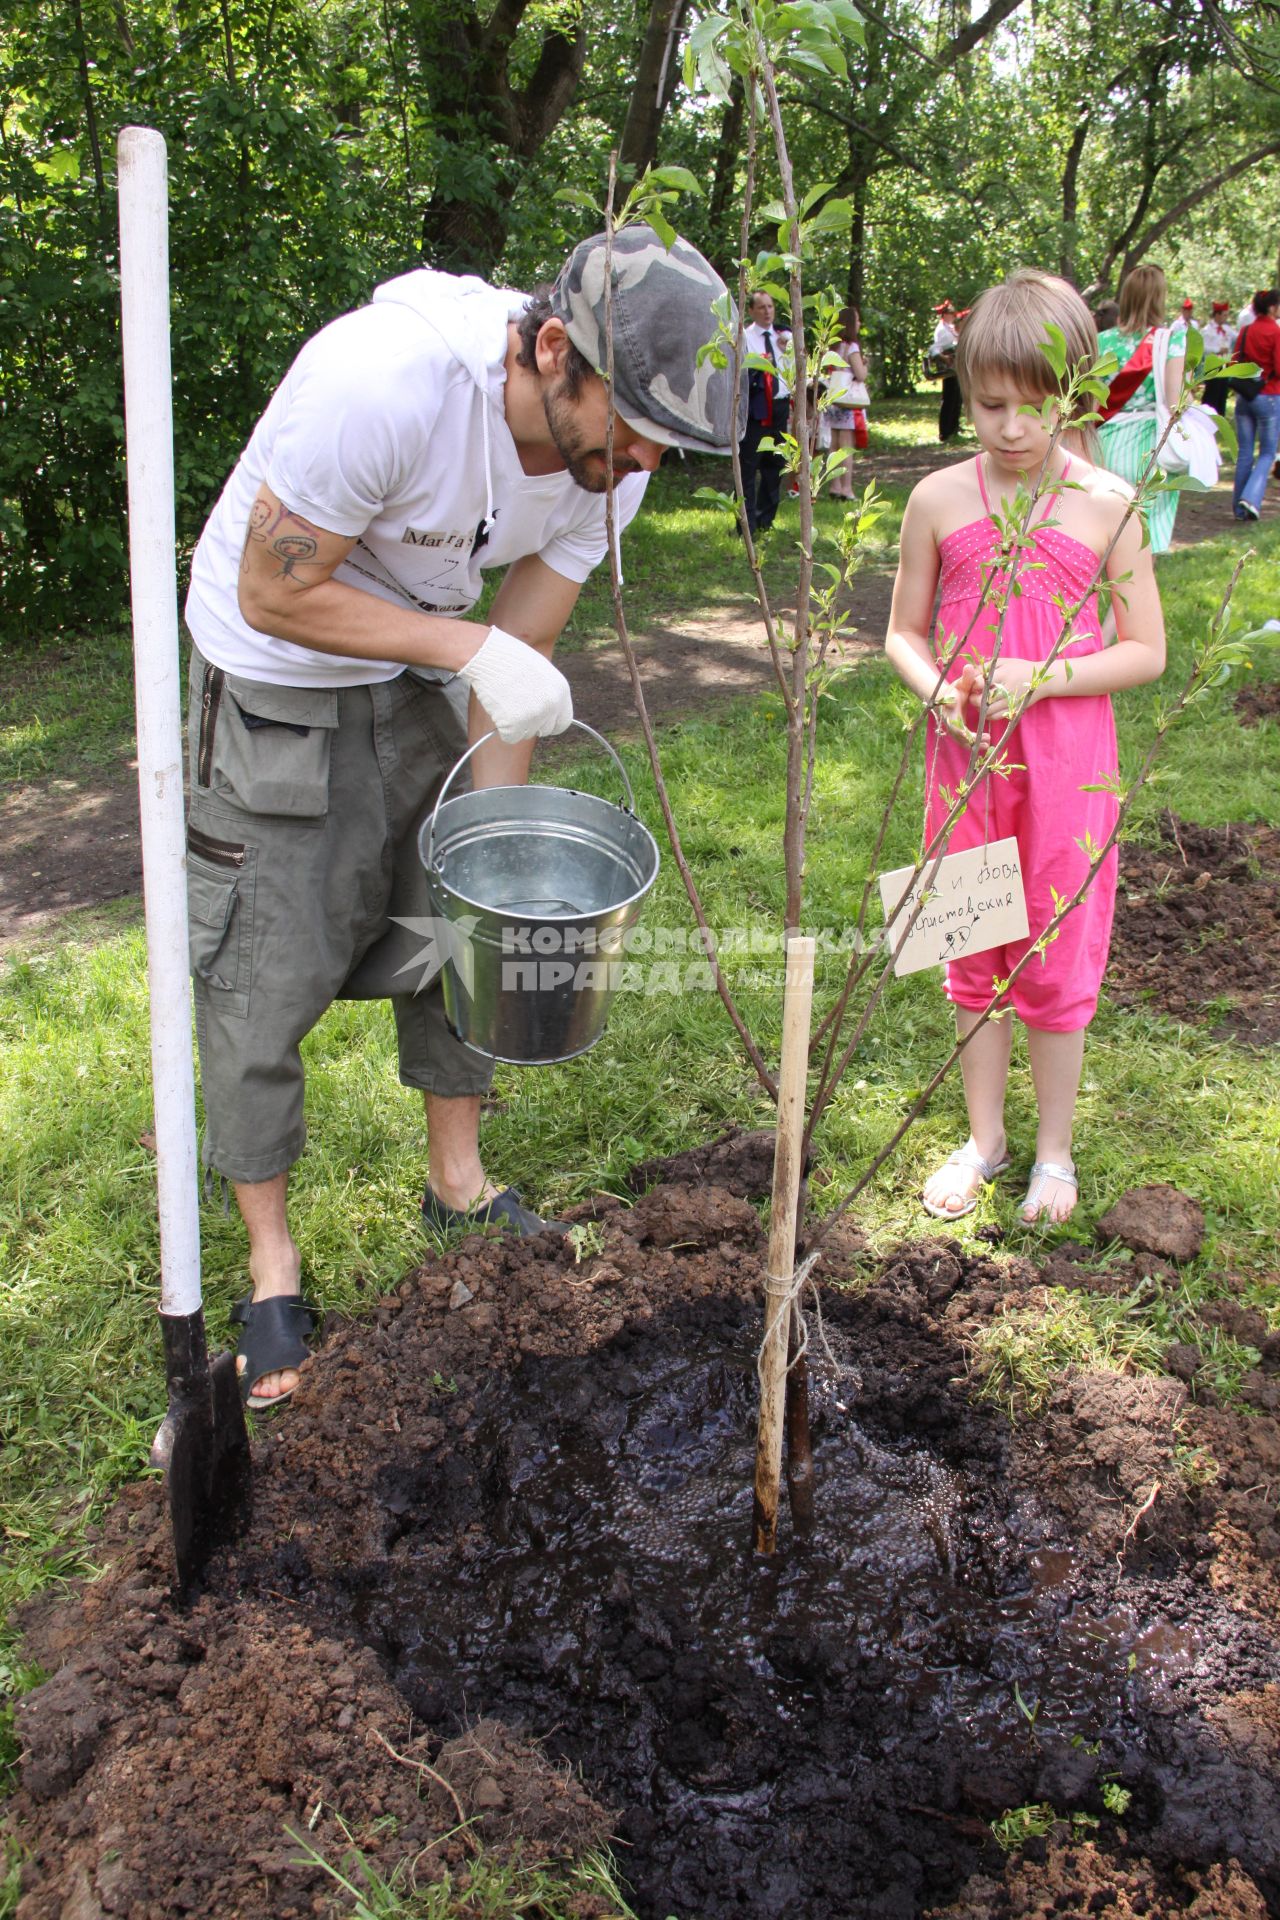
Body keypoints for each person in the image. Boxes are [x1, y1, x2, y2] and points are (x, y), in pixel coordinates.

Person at [183, 224, 743, 1406]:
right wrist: (468, 644)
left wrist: (501, 854)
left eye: (668, 443)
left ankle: (457, 1183)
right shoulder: (385, 384)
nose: (646, 459)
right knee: (264, 967)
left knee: (457, 936)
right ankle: (272, 1267)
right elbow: (274, 587)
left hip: (425, 665)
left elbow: (520, 647)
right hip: (280, 673)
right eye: (634, 423)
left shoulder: (612, 471)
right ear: (553, 351)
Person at [884, 269, 1166, 1226]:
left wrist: (1039, 676)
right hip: (964, 767)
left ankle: (1053, 1150)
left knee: (1055, 946)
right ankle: (984, 1136)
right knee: (968, 940)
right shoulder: (935, 499)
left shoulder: (1107, 503)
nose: (1011, 429)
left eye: (1037, 407)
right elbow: (901, 633)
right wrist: (939, 693)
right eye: (991, 404)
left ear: (1078, 397)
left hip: (1068, 766)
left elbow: (1147, 650)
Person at [1096, 265, 1186, 554]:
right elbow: (1175, 403)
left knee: (1106, 537)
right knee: (1144, 543)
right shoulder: (1170, 340)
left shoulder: (1102, 341)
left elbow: (1092, 400)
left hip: (1105, 445)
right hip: (1148, 446)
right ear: (1159, 297)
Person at [739, 289, 793, 534]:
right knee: (749, 467)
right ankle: (746, 524)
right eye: (761, 307)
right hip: (756, 409)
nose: (767, 311)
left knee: (776, 465)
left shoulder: (785, 337)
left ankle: (765, 521)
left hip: (780, 407)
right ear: (751, 311)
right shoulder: (745, 337)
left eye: (770, 306)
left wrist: (789, 347)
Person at [1231, 288, 1280, 521]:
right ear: (1272, 307)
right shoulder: (1275, 332)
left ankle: (1238, 507)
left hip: (1244, 396)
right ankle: (1250, 499)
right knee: (1268, 452)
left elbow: (1234, 361)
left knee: (1245, 453)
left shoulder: (1246, 330)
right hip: (1268, 395)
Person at [825, 306, 870, 499]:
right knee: (846, 446)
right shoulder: (852, 347)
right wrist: (865, 365)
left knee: (833, 445)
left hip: (832, 397)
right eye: (857, 320)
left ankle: (834, 486)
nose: (859, 324)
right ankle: (846, 488)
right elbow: (860, 374)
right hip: (848, 399)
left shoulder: (832, 346)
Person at [928, 300, 963, 442]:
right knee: (949, 398)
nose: (954, 315)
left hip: (955, 368)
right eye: (951, 313)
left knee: (957, 398)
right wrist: (943, 358)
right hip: (948, 368)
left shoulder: (950, 328)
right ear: (945, 314)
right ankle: (945, 431)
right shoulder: (942, 329)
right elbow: (934, 349)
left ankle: (954, 428)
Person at [1201, 300, 1235, 415]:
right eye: (1224, 315)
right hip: (1212, 365)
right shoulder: (1207, 330)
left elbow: (1236, 337)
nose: (1226, 317)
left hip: (1224, 364)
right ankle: (1208, 415)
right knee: (1212, 392)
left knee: (1222, 392)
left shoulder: (1227, 329)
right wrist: (1217, 350)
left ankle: (1220, 415)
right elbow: (1203, 347)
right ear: (1217, 314)